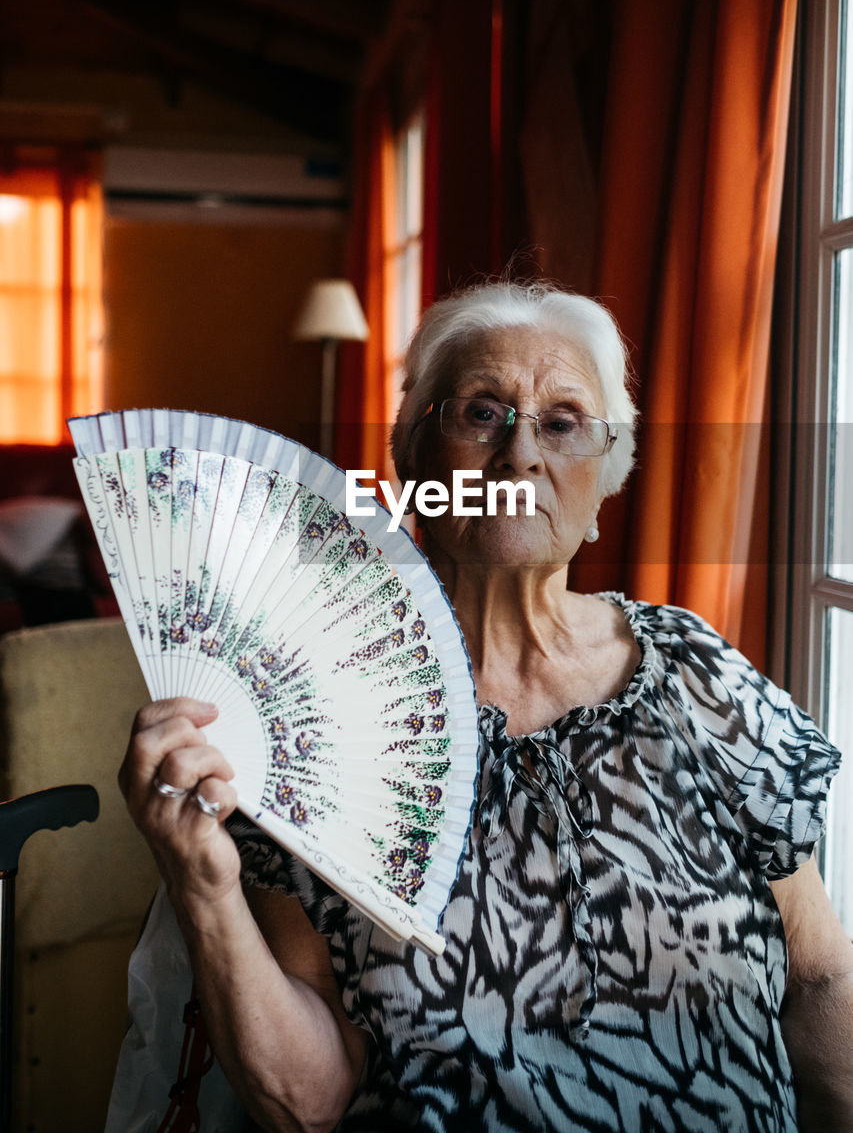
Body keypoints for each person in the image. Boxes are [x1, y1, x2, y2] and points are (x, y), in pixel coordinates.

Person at [117, 280, 853, 1133]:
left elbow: (820, 979)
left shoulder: (696, 673)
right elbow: (306, 1105)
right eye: (480, 413)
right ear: (413, 455)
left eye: (563, 422)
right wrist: (203, 888)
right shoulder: (313, 714)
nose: (519, 456)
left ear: (605, 476)